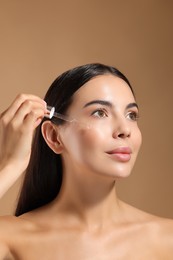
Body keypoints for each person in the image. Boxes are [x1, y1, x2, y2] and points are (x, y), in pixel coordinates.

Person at [0, 63, 173, 259]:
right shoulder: (11, 238)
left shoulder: (167, 239)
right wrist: (10, 165)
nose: (125, 129)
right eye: (100, 113)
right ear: (54, 137)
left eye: (131, 115)